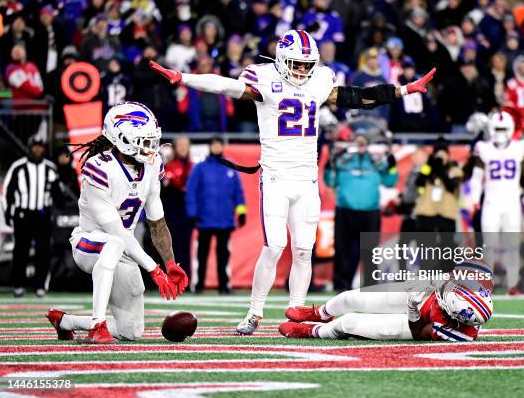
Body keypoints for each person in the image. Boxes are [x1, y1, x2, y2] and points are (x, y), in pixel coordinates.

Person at [150, 29, 436, 335]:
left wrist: (403, 90)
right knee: (274, 246)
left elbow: (357, 97)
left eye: (306, 64)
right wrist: (184, 77)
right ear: (282, 59)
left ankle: (296, 312)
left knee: (303, 250)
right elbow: (226, 86)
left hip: (306, 179)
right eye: (296, 63)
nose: (301, 70)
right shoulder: (264, 79)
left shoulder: (319, 80)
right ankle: (254, 311)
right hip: (275, 176)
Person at [44, 102, 188, 344]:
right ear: (122, 138)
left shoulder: (152, 166)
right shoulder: (98, 167)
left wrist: (170, 262)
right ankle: (97, 326)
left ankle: (66, 321)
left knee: (131, 330)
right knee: (113, 244)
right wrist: (154, 269)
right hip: (89, 244)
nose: (151, 147)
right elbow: (116, 232)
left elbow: (157, 222)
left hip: (125, 249)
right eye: (144, 140)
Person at [278, 276, 493, 341]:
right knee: (352, 298)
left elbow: (419, 331)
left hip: (415, 324)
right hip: (421, 294)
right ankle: (319, 313)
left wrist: (412, 307)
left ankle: (312, 331)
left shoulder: (459, 333)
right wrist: (419, 286)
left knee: (349, 322)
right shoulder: (468, 287)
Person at [469, 111, 524, 294]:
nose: (500, 132)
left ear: (511, 128)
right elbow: (476, 177)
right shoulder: (483, 147)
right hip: (491, 202)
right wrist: (474, 199)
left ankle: (513, 285)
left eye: (503, 128)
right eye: (497, 128)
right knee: (489, 244)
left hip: (512, 202)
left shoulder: (520, 146)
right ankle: (486, 285)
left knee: (513, 245)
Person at [324, 131, 398, 291]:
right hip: (345, 210)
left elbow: (390, 181)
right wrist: (330, 163)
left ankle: (370, 285)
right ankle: (341, 286)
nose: (360, 145)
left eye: (363, 142)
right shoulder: (343, 161)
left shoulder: (376, 163)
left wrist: (392, 165)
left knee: (370, 251)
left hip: (370, 212)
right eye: (357, 142)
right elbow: (329, 180)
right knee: (342, 250)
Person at [1, 137, 63, 298]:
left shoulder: (50, 168)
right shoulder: (18, 167)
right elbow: (8, 192)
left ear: (44, 149)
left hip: (42, 215)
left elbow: (58, 193)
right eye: (35, 147)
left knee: (43, 251)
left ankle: (40, 286)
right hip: (23, 214)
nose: (37, 150)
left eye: (40, 147)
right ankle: (18, 285)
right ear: (30, 148)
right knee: (21, 250)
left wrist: (58, 207)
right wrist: (9, 214)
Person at [186, 137, 246, 294]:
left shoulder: (230, 168)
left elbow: (238, 193)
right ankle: (198, 286)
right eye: (214, 145)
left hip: (225, 221)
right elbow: (191, 191)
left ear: (222, 146)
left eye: (219, 144)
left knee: (223, 256)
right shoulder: (200, 168)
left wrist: (241, 212)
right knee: (202, 255)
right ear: (210, 146)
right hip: (204, 220)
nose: (217, 147)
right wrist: (192, 214)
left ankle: (224, 286)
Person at [161, 136, 193, 285]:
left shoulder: (193, 166)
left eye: (185, 145)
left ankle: (186, 280)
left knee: (186, 246)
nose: (182, 148)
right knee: (171, 246)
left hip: (187, 212)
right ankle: (171, 279)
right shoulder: (169, 166)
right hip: (172, 212)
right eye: (180, 145)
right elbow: (166, 191)